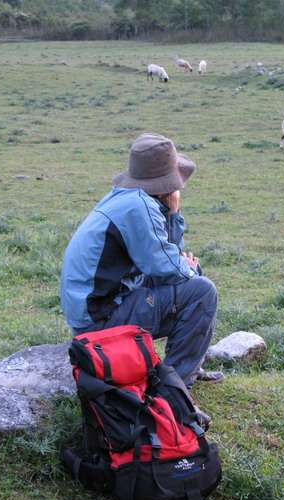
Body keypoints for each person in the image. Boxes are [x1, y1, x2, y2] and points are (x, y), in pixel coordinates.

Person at [60, 133, 223, 420]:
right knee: (201, 290)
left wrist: (174, 226)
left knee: (191, 281)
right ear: (168, 183)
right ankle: (175, 394)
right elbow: (168, 268)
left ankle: (188, 368)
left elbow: (163, 261)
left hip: (100, 310)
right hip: (101, 322)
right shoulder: (141, 206)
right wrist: (189, 264)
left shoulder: (127, 198)